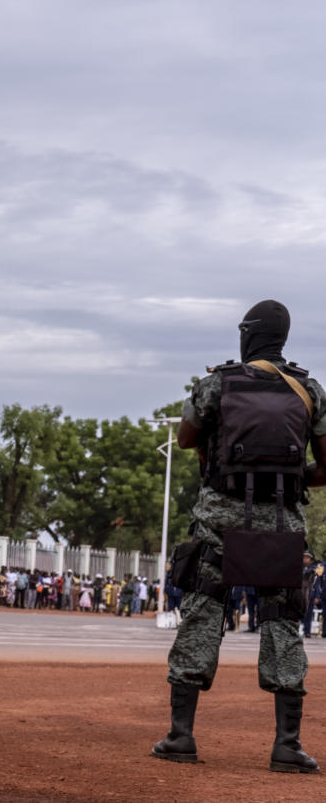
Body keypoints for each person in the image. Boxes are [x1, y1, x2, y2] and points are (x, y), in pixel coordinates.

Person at [153, 300, 325, 773]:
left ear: (248, 335)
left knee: (203, 615)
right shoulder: (310, 389)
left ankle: (180, 736)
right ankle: (287, 745)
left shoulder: (216, 383)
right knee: (282, 625)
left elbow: (187, 439)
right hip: (281, 528)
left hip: (219, 525)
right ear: (283, 339)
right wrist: (287, 477)